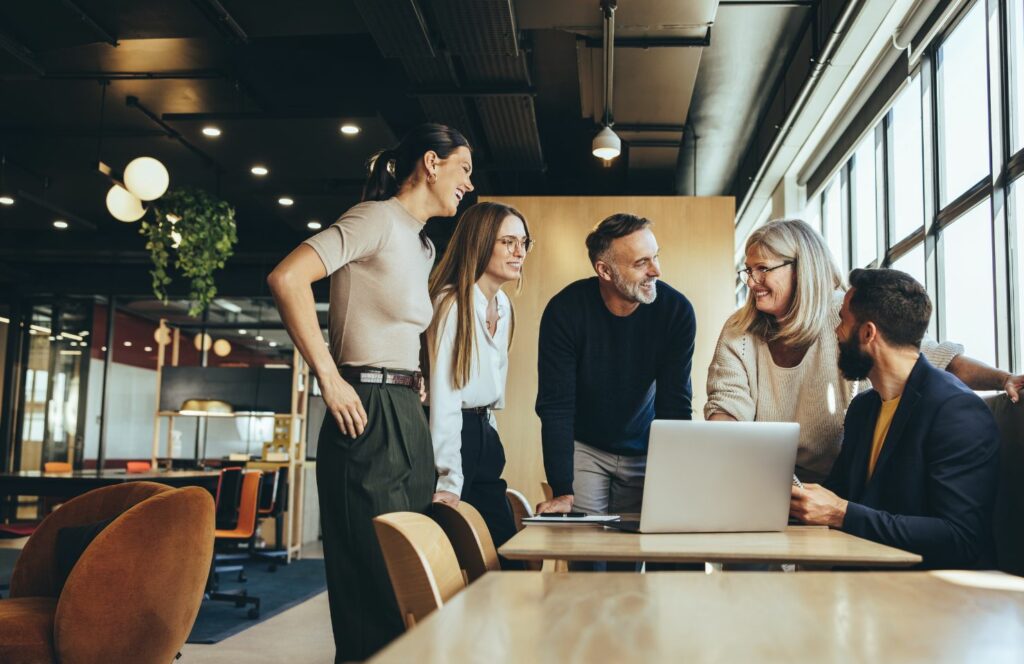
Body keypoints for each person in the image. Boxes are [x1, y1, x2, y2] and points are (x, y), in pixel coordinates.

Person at [267, 123, 473, 662]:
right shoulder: (374, 218)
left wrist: (414, 377)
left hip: (405, 411)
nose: (468, 184)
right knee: (374, 590)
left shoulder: (424, 244)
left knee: (411, 585)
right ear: (432, 162)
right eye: (464, 169)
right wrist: (328, 378)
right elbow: (287, 278)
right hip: (366, 409)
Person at [706, 219, 1022, 483]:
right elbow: (727, 411)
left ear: (801, 269)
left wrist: (1003, 378)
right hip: (762, 474)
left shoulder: (844, 315)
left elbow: (929, 359)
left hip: (842, 481)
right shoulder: (740, 330)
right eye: (747, 270)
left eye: (762, 268)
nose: (752, 281)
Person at [790, 268, 999, 569]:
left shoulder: (957, 412)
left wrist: (842, 513)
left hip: (941, 599)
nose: (836, 331)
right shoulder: (863, 409)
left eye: (843, 321)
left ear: (868, 333)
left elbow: (960, 537)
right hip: (869, 587)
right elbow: (838, 496)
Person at [535, 213, 696, 519]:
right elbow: (556, 405)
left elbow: (675, 403)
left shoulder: (677, 312)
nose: (657, 271)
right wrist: (562, 489)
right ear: (605, 270)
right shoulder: (565, 311)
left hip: (648, 446)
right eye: (641, 263)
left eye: (656, 257)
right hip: (586, 447)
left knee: (633, 551)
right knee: (589, 555)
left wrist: (677, 478)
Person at [426, 201, 531, 563]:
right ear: (481, 243)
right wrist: (449, 480)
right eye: (508, 242)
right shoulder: (451, 303)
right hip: (454, 438)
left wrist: (492, 435)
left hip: (484, 433)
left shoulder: (503, 305)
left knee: (503, 553)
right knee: (457, 558)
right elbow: (445, 397)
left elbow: (492, 389)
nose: (519, 252)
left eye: (523, 242)